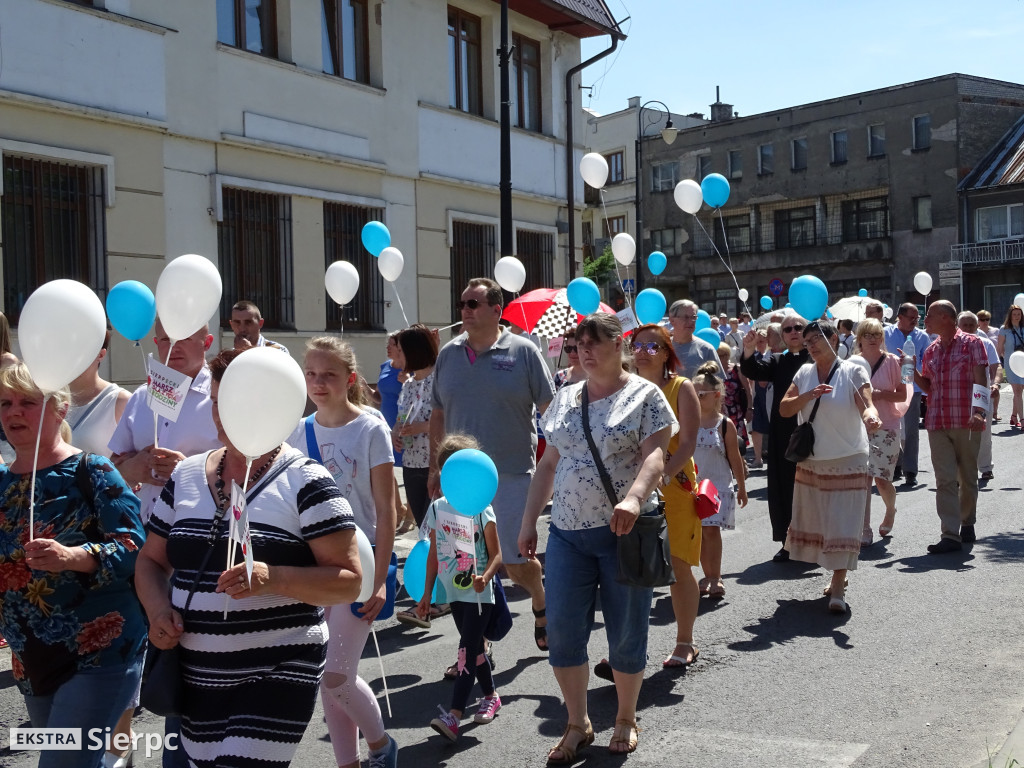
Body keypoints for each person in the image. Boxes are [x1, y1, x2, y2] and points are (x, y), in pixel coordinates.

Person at [135, 348, 368, 768]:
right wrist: (156, 612)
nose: (223, 415)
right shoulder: (186, 475)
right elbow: (151, 561)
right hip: (195, 674)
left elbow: (349, 579)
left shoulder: (307, 480)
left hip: (279, 665)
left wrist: (274, 576)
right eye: (218, 402)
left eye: (236, 403)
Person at [519, 313, 676, 761]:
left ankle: (625, 717)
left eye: (593, 343)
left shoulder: (645, 396)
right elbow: (548, 465)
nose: (583, 351)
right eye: (576, 345)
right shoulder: (565, 398)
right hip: (567, 534)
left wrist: (634, 498)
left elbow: (655, 458)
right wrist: (530, 521)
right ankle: (577, 723)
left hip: (622, 533)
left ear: (617, 346)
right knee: (565, 633)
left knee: (626, 632)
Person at [0, 363, 147, 767]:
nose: (14, 413)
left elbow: (134, 546)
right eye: (5, 403)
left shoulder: (92, 470)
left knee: (62, 763)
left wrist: (74, 557)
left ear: (60, 409)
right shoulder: (1, 482)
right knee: (80, 760)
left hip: (99, 651)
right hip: (30, 659)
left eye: (27, 403)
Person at [285, 337, 399, 768]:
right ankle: (347, 764)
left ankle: (380, 747)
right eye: (311, 374)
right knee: (328, 677)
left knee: (336, 675)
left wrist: (383, 578)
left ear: (349, 379)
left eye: (329, 375)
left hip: (362, 561)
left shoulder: (371, 427)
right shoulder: (298, 431)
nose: (317, 383)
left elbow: (386, 511)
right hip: (315, 565)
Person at [429, 278, 555, 654]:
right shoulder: (448, 355)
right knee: (464, 568)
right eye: (462, 303)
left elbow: (550, 410)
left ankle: (540, 599)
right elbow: (437, 412)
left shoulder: (524, 351)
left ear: (497, 310)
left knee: (516, 566)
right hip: (459, 481)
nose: (465, 309)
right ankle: (475, 651)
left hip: (513, 473)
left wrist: (558, 461)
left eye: (473, 303)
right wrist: (437, 467)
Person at [779, 321, 881, 612]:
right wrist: (808, 395)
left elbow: (867, 404)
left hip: (849, 459)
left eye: (816, 340)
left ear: (834, 339)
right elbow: (785, 409)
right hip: (812, 461)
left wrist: (872, 417)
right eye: (807, 342)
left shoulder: (852, 370)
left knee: (842, 525)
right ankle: (838, 576)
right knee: (822, 525)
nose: (810, 345)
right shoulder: (805, 373)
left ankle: (838, 585)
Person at [417, 433, 504, 742]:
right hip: (454, 592)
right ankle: (491, 696)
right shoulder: (439, 508)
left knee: (466, 650)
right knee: (475, 649)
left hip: (480, 594)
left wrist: (486, 577)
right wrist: (427, 594)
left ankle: (454, 715)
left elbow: (497, 556)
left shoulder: (482, 508)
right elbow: (432, 553)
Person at [628, 324, 701, 669]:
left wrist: (664, 474)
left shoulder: (680, 387)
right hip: (629, 489)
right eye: (637, 345)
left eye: (652, 347)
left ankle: (685, 641)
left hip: (673, 485)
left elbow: (688, 441)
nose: (643, 351)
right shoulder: (623, 389)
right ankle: (628, 649)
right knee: (634, 568)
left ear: (666, 353)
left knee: (678, 565)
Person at [109, 320, 221, 525]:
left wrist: (186, 471)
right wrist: (131, 469)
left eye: (184, 339)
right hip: (140, 526)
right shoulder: (142, 397)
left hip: (195, 529)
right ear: (155, 342)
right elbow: (112, 467)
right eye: (165, 340)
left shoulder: (220, 400)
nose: (173, 347)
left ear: (207, 342)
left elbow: (242, 470)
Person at [918, 301, 989, 554]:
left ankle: (967, 520)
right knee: (944, 479)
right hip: (937, 421)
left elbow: (981, 379)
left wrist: (979, 412)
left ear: (946, 318)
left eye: (929, 316)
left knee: (967, 477)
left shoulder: (972, 343)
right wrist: (909, 371)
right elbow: (928, 387)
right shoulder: (930, 350)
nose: (925, 320)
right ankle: (950, 534)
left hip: (966, 420)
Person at [739, 315, 811, 561]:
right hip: (783, 433)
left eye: (798, 328)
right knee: (784, 488)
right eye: (787, 329)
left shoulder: (817, 359)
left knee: (812, 488)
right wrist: (748, 350)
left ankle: (816, 540)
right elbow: (752, 370)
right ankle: (787, 542)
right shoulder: (778, 360)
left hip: (815, 430)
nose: (793, 332)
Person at [691, 362, 747, 599]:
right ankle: (707, 575)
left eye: (701, 394)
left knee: (711, 532)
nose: (696, 398)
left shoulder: (725, 424)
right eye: (692, 394)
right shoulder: (686, 422)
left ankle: (716, 577)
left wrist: (742, 488)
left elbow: (735, 459)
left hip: (716, 487)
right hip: (691, 487)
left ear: (716, 395)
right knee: (699, 534)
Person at [850, 319, 905, 543]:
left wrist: (880, 394)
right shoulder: (852, 363)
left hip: (887, 425)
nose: (873, 339)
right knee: (863, 479)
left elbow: (902, 395)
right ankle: (864, 529)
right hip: (859, 427)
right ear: (860, 339)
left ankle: (890, 509)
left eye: (877, 335)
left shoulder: (892, 361)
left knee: (881, 480)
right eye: (868, 335)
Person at [884, 304, 930, 486]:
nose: (915, 321)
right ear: (900, 317)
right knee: (890, 428)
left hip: (913, 389)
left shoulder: (922, 336)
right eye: (912, 317)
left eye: (917, 318)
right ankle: (896, 464)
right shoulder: (885, 334)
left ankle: (910, 470)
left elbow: (928, 362)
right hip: (890, 388)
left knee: (911, 431)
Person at [67, 329, 131, 458]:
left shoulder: (121, 401)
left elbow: (132, 463)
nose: (74, 355)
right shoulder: (49, 399)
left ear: (101, 355)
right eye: (68, 347)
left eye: (82, 349)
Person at [959, 312, 999, 482]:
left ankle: (985, 468)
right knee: (960, 433)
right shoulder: (952, 344)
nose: (968, 328)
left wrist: (996, 384)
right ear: (958, 326)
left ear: (977, 326)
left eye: (971, 325)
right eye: (964, 325)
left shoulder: (986, 343)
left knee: (983, 432)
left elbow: (996, 366)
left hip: (981, 391)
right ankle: (962, 469)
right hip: (959, 394)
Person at [668, 300, 725, 379]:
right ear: (672, 320)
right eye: (686, 317)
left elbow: (719, 384)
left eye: (693, 317)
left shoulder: (706, 349)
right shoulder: (662, 347)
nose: (691, 321)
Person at [717, 342, 750, 451]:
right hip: (719, 412)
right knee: (722, 445)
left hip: (736, 411)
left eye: (723, 355)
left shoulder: (737, 369)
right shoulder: (713, 371)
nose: (721, 358)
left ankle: (742, 466)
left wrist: (750, 408)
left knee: (738, 446)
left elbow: (747, 390)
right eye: (718, 355)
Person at [996, 304, 1024, 428]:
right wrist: (1001, 363)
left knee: (1019, 390)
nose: (1017, 316)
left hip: (1022, 362)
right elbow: (1000, 347)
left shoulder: (1023, 328)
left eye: (1019, 314)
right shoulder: (1004, 329)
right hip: (1011, 363)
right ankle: (1022, 419)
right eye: (1014, 314)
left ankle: (1013, 416)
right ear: (1010, 315)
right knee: (1017, 390)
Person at [749, 329, 771, 469]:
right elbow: (751, 379)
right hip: (758, 395)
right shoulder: (754, 357)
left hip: (770, 395)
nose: (759, 344)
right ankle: (758, 459)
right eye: (757, 342)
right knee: (756, 428)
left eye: (762, 341)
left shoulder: (772, 356)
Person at [977, 310, 1001, 421]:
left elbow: (1000, 345)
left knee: (994, 387)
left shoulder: (995, 331)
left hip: (993, 360)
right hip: (980, 364)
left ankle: (994, 411)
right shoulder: (977, 333)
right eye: (982, 319)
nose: (985, 321)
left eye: (987, 319)